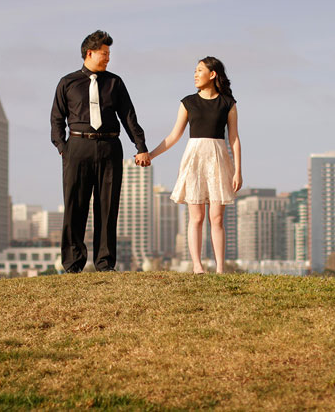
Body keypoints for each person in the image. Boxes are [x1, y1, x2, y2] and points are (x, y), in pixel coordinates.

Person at [51, 30, 150, 273]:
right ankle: (73, 264)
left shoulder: (115, 82)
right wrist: (64, 148)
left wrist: (141, 147)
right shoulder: (67, 82)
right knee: (75, 206)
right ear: (90, 53)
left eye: (109, 54)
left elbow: (128, 116)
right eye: (104, 54)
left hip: (109, 148)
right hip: (77, 147)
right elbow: (56, 119)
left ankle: (105, 263)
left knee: (108, 207)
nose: (108, 58)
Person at [147, 57, 242, 274]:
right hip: (194, 159)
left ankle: (220, 268)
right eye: (194, 71)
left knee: (216, 218)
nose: (195, 74)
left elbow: (234, 138)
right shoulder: (188, 102)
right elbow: (173, 136)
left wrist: (238, 170)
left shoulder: (228, 103)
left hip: (218, 159)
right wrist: (151, 155)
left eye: (199, 70)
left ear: (212, 74)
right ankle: (197, 266)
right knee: (196, 217)